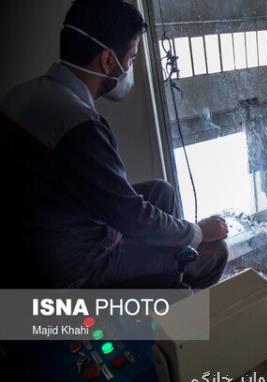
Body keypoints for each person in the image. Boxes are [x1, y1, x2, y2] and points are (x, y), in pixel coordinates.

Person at [0, 0, 228, 289]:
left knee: (162, 191)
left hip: (42, 230)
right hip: (75, 264)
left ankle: (161, 268)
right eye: (131, 59)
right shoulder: (79, 126)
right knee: (214, 252)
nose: (129, 68)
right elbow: (131, 216)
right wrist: (197, 232)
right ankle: (169, 316)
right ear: (108, 60)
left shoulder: (21, 95)